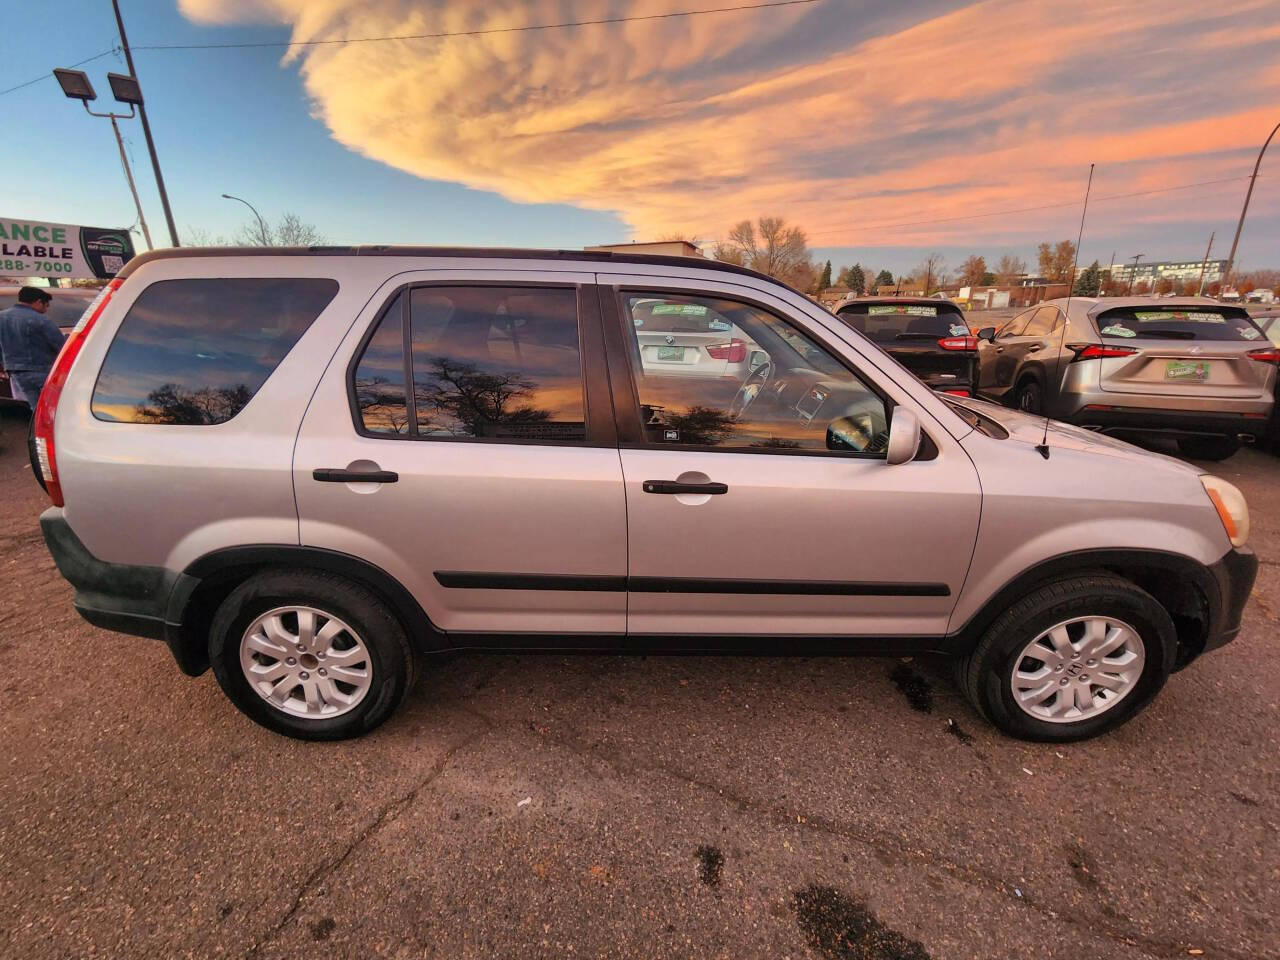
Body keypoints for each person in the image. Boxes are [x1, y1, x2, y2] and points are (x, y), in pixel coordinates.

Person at [0, 286, 64, 411]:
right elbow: (61, 347)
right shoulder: (42, 320)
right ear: (39, 302)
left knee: (36, 410)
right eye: (46, 306)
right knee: (54, 408)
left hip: (16, 372)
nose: (45, 310)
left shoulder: (1, 318)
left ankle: (39, 429)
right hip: (44, 371)